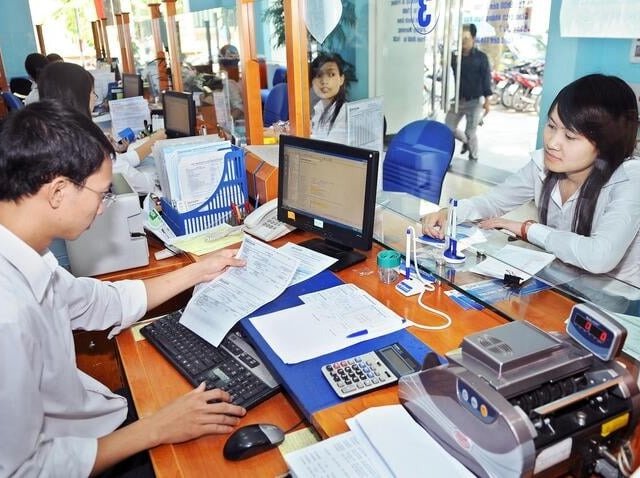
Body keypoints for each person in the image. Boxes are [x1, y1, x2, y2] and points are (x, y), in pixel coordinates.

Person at [0, 100, 248, 476]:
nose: (102, 209)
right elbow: (25, 470)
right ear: (58, 191)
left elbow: (101, 302)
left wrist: (198, 271)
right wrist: (156, 428)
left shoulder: (28, 255)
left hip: (92, 422)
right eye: (102, 194)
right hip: (78, 456)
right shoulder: (8, 315)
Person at [422, 74, 640, 287]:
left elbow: (598, 257)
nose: (552, 142)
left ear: (607, 143)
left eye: (570, 136)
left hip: (616, 300)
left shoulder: (629, 179)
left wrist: (527, 229)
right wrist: (452, 213)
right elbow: (494, 202)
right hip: (556, 283)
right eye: (551, 126)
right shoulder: (543, 164)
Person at [38, 61, 166, 195]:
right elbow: (143, 185)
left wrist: (150, 144)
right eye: (92, 92)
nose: (94, 98)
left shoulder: (49, 135)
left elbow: (115, 163)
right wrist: (159, 176)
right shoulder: (85, 142)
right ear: (79, 97)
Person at [445, 23, 492, 161]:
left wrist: (487, 101)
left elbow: (486, 78)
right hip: (458, 101)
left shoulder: (481, 57)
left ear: (473, 38)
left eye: (466, 38)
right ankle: (465, 141)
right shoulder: (455, 57)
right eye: (461, 38)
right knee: (448, 128)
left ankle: (474, 157)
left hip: (474, 101)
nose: (463, 41)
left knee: (471, 132)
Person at [310, 52, 348, 144]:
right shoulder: (318, 107)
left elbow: (330, 146)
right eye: (319, 75)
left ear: (341, 79)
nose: (324, 81)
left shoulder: (345, 113)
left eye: (331, 74)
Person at [218, 44, 244, 120]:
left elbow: (239, 108)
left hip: (237, 123)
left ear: (221, 65)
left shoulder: (230, 83)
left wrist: (226, 122)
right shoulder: (240, 80)